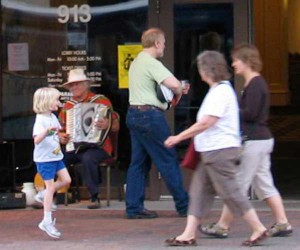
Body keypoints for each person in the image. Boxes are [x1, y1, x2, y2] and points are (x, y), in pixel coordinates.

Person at [164, 51, 268, 247]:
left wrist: (178, 137)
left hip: (219, 151)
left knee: (231, 192)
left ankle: (258, 227)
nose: (199, 73)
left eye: (201, 69)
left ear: (207, 70)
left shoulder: (220, 92)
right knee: (199, 192)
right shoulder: (219, 90)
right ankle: (188, 233)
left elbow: (207, 122)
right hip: (210, 152)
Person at [200, 44, 293, 238]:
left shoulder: (255, 84)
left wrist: (229, 111)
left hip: (254, 141)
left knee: (238, 185)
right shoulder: (256, 83)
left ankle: (223, 225)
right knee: (265, 183)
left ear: (247, 61)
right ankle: (283, 222)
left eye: (236, 60)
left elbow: (250, 113)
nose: (233, 64)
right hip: (263, 139)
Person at [125, 27, 189, 219]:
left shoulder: (136, 62)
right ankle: (184, 206)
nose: (164, 48)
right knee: (167, 158)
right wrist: (181, 88)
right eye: (164, 44)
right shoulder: (151, 62)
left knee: (138, 163)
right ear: (157, 43)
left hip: (134, 114)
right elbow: (174, 84)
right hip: (150, 116)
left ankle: (134, 207)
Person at [58, 68, 120, 209]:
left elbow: (116, 125)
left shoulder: (101, 101)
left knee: (88, 157)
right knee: (57, 159)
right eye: (71, 85)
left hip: (99, 146)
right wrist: (61, 137)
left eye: (77, 84)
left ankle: (94, 196)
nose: (74, 88)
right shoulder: (68, 106)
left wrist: (107, 124)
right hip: (75, 147)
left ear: (86, 85)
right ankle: (53, 194)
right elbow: (59, 130)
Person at [32, 87, 71, 239]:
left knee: (66, 180)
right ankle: (46, 221)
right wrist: (47, 131)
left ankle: (43, 195)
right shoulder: (41, 120)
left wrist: (61, 137)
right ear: (47, 102)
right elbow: (36, 139)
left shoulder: (52, 117)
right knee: (50, 187)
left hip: (55, 156)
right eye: (56, 100)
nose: (58, 103)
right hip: (45, 159)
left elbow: (55, 136)